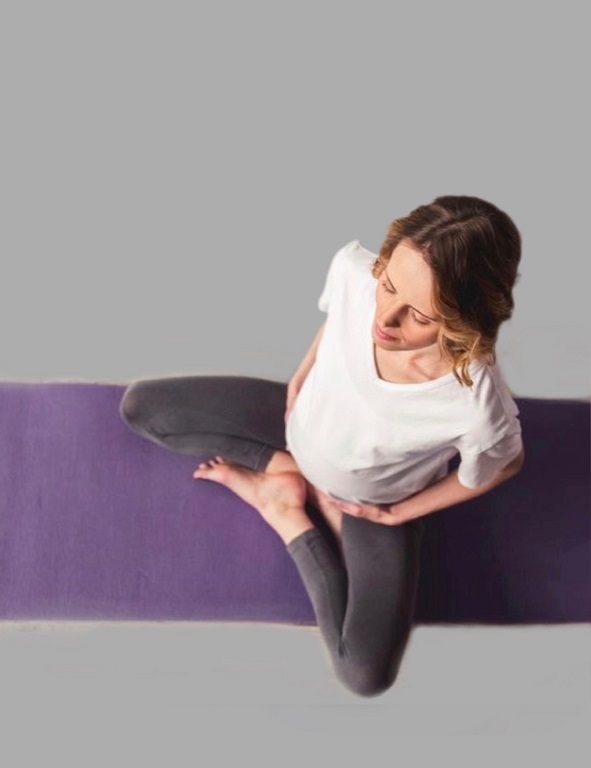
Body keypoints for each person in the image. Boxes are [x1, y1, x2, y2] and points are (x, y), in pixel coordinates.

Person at [118, 194, 525, 698]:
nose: (386, 318)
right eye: (388, 285)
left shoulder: (475, 403)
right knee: (141, 408)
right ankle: (283, 467)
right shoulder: (355, 270)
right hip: (297, 426)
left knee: (364, 673)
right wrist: (302, 373)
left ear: (467, 320)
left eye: (419, 316)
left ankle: (282, 508)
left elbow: (505, 464)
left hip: (367, 502)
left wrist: (398, 513)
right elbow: (341, 313)